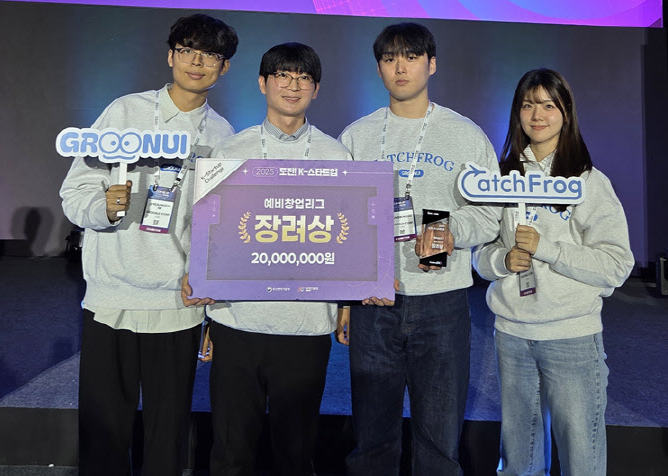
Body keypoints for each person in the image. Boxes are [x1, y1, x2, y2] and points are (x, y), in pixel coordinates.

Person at [59, 13, 238, 476]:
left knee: (168, 433)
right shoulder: (125, 112)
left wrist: (212, 294)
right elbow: (75, 192)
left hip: (177, 302)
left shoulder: (223, 137)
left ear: (224, 67)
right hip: (112, 297)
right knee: (104, 431)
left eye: (210, 55)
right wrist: (103, 208)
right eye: (187, 50)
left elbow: (219, 227)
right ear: (170, 56)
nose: (196, 62)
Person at [337, 23, 501, 475]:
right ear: (378, 68)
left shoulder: (465, 135)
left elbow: (490, 214)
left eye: (410, 57)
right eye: (390, 58)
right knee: (372, 438)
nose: (400, 67)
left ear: (431, 64)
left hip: (442, 302)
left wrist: (451, 230)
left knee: (439, 440)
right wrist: (345, 298)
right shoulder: (356, 136)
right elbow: (339, 221)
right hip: (374, 301)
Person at [182, 42, 351, 476]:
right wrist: (208, 316)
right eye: (282, 76)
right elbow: (210, 237)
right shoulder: (229, 153)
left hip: (307, 325)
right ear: (262, 83)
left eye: (304, 78)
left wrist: (347, 301)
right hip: (237, 323)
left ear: (316, 89)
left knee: (295, 455)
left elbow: (348, 241)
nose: (293, 86)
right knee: (230, 454)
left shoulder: (337, 156)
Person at [473, 68, 634, 475]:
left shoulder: (588, 182)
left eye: (548, 105)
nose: (537, 115)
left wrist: (547, 249)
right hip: (512, 333)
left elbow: (617, 264)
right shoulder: (501, 177)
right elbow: (481, 254)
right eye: (528, 105)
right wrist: (502, 260)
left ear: (566, 112)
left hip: (571, 335)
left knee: (582, 458)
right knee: (519, 460)